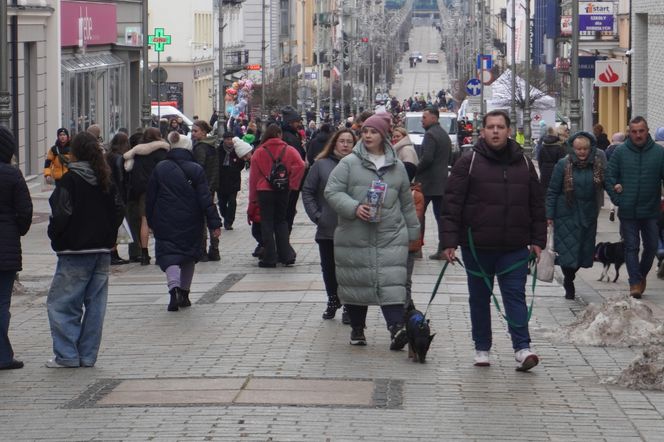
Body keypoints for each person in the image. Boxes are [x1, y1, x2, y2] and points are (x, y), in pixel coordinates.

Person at [441, 110, 546, 371]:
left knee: (515, 297)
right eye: (491, 127)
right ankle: (482, 347)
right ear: (483, 131)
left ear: (509, 131)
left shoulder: (523, 162)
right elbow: (452, 204)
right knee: (479, 298)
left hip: (515, 246)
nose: (496, 131)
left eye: (500, 127)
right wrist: (449, 242)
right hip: (478, 246)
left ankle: (522, 348)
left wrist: (538, 239)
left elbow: (536, 203)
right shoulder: (469, 162)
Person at [324, 113, 420, 348]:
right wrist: (354, 208)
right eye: (365, 131)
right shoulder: (349, 163)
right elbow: (332, 192)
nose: (367, 135)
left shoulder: (396, 166)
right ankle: (358, 328)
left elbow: (406, 203)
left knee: (392, 281)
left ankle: (396, 328)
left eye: (373, 131)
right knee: (358, 280)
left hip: (390, 233)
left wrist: (413, 234)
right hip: (355, 233)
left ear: (383, 135)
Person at [45, 132, 124, 368]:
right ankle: (87, 356)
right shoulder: (105, 180)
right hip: (101, 250)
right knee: (95, 306)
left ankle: (67, 355)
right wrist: (109, 236)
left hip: (74, 250)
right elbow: (118, 210)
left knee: (62, 304)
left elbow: (61, 213)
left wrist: (56, 237)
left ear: (75, 153)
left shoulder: (70, 180)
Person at [146, 132, 222, 311]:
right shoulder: (195, 169)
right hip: (191, 219)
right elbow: (205, 198)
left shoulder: (160, 168)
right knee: (188, 255)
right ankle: (185, 294)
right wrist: (214, 223)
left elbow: (151, 198)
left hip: (164, 219)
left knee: (170, 255)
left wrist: (151, 220)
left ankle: (173, 290)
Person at [302, 129, 356, 324]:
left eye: (349, 141)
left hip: (353, 228)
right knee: (329, 268)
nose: (345, 145)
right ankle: (333, 299)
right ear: (334, 143)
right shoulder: (321, 165)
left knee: (350, 269)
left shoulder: (360, 165)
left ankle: (350, 306)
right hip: (327, 227)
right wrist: (317, 215)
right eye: (341, 141)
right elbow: (307, 191)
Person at [607, 116, 664, 298]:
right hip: (628, 209)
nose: (638, 135)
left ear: (647, 131)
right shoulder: (620, 152)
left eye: (641, 131)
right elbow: (609, 178)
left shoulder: (659, 153)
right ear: (629, 132)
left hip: (651, 210)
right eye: (634, 131)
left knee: (652, 246)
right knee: (631, 246)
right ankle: (634, 283)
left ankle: (640, 275)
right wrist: (618, 199)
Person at [546, 132, 608, 300]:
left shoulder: (597, 165)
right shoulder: (563, 165)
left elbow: (607, 183)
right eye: (578, 148)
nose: (582, 152)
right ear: (572, 148)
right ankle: (569, 281)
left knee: (583, 252)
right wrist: (549, 214)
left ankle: (570, 276)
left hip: (588, 213)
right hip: (566, 213)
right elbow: (552, 191)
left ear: (591, 149)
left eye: (585, 149)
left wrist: (618, 195)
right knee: (567, 252)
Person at [249, 124, 306, 267]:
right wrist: (292, 185)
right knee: (281, 222)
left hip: (264, 191)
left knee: (267, 223)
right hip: (283, 191)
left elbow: (253, 178)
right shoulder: (289, 149)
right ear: (280, 135)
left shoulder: (259, 152)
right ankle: (286, 255)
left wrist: (252, 199)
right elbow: (301, 165)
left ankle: (269, 257)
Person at [0, 127, 33, 370]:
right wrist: (16, 230)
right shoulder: (13, 175)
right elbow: (25, 211)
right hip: (6, 245)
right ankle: (2, 355)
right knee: (2, 303)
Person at [123, 128, 170, 265]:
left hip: (142, 190)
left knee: (144, 221)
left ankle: (144, 254)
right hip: (159, 189)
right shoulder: (162, 151)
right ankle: (161, 252)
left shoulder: (137, 152)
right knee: (161, 221)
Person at [415, 106, 451, 260]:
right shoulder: (443, 134)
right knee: (441, 217)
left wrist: (416, 170)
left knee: (418, 216)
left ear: (434, 118)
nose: (421, 120)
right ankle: (443, 249)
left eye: (424, 117)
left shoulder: (430, 135)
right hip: (441, 182)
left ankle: (416, 249)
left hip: (428, 183)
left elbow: (427, 158)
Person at [191, 120, 220, 261]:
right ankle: (215, 248)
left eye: (195, 131)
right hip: (212, 186)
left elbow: (198, 169)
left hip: (202, 188)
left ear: (203, 132)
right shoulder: (212, 145)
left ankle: (202, 251)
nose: (193, 133)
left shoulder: (200, 148)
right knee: (212, 218)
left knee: (201, 220)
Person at [280, 106, 307, 232]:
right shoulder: (290, 138)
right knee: (287, 213)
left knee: (286, 213)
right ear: (290, 122)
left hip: (287, 181)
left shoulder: (288, 135)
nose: (299, 124)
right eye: (297, 121)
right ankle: (284, 243)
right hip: (291, 181)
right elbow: (296, 162)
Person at [106, 132, 130, 265]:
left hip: (109, 192)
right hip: (117, 194)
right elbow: (121, 178)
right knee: (116, 224)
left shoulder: (107, 156)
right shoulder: (119, 158)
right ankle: (113, 253)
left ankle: (112, 252)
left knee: (112, 225)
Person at [217, 133, 247, 230]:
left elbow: (242, 163)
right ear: (224, 140)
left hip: (233, 179)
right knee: (221, 202)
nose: (229, 141)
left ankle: (229, 222)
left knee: (232, 202)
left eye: (231, 139)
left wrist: (235, 167)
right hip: (221, 180)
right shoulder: (219, 150)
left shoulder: (236, 150)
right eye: (227, 139)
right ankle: (225, 216)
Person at [537, 126, 566, 191]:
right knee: (555, 190)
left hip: (544, 170)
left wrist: (542, 170)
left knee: (544, 190)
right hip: (556, 171)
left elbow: (539, 161)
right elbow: (562, 162)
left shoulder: (543, 146)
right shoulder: (559, 147)